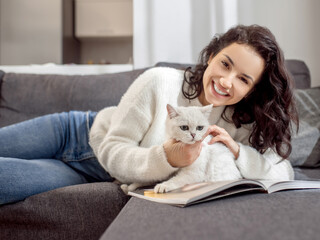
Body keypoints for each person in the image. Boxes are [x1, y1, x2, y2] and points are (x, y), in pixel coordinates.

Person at [0, 24, 298, 205]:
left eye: (244, 79)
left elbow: (282, 172)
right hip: (76, 133)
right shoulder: (161, 82)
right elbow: (113, 147)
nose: (226, 81)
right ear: (211, 57)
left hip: (93, 172)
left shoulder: (241, 125)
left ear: (252, 90)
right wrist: (167, 158)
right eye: (225, 64)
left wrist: (237, 152)